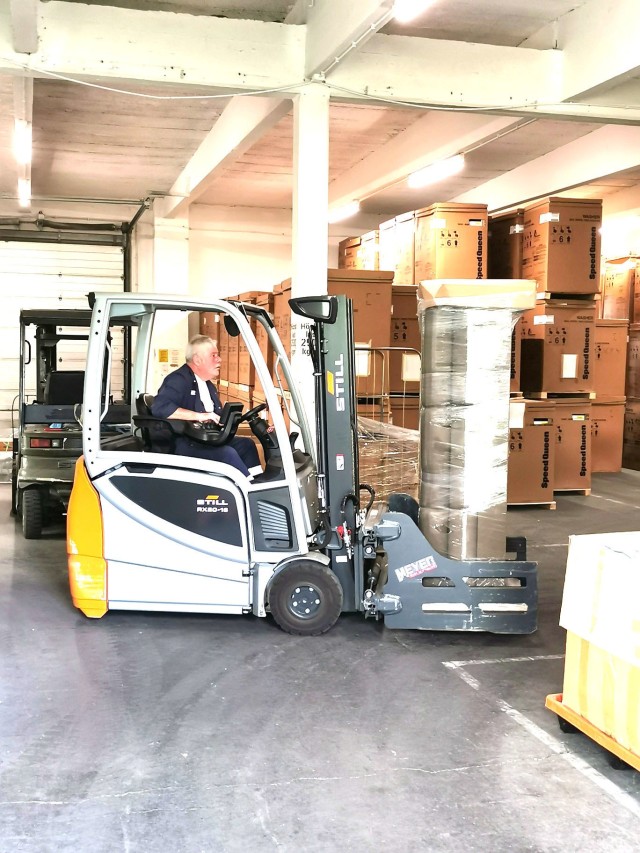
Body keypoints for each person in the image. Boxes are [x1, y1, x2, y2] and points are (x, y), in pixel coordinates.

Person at [151, 335, 262, 478]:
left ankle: (257, 482)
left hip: (205, 439)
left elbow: (217, 417)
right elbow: (160, 407)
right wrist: (200, 416)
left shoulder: (208, 385)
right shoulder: (178, 380)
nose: (219, 359)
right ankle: (248, 490)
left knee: (247, 445)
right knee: (227, 453)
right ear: (197, 360)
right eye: (213, 355)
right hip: (184, 443)